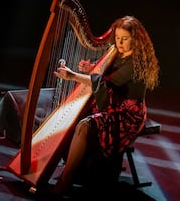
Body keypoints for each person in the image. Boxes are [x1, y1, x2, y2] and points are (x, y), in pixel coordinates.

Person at [50, 15, 160, 195]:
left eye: (124, 39)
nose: (119, 42)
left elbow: (107, 82)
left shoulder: (137, 62)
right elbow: (102, 76)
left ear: (136, 39)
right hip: (112, 104)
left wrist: (74, 76)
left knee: (85, 126)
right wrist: (90, 68)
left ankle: (66, 179)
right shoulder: (117, 53)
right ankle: (79, 171)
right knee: (72, 119)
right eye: (117, 38)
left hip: (128, 113)